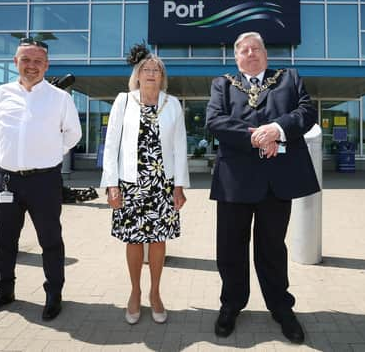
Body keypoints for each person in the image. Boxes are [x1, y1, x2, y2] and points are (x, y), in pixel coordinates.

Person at [206, 31, 320, 344]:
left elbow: (307, 112)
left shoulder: (289, 78)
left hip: (276, 182)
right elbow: (214, 121)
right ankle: (231, 305)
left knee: (272, 249)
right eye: (244, 49)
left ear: (266, 54)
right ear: (236, 56)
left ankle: (282, 309)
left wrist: (277, 129)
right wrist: (256, 136)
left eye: (257, 48)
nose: (251, 53)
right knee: (230, 249)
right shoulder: (223, 84)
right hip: (235, 183)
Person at [0, 38, 82, 321]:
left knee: (50, 240)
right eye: (26, 60)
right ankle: (3, 291)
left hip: (44, 181)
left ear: (46, 65)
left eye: (37, 61)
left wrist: (49, 153)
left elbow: (73, 134)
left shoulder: (60, 98)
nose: (31, 66)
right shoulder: (1, 94)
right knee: (3, 240)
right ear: (15, 62)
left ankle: (54, 293)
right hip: (7, 180)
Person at [100, 43, 189, 325]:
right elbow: (111, 143)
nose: (151, 73)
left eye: (157, 70)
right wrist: (111, 184)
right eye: (146, 69)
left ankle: (155, 293)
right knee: (134, 239)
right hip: (130, 183)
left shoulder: (171, 103)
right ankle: (135, 292)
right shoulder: (123, 101)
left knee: (159, 238)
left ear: (162, 77)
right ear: (137, 75)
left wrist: (179, 186)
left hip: (162, 184)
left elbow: (179, 146)